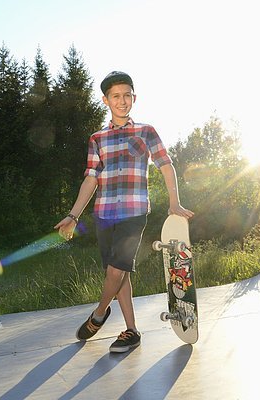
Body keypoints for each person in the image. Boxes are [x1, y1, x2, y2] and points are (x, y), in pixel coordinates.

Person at [54, 71, 193, 353]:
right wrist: (73, 215)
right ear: (106, 100)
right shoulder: (97, 138)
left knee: (117, 269)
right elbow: (91, 178)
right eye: (116, 96)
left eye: (127, 95)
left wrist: (174, 202)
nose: (122, 100)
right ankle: (132, 331)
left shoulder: (145, 132)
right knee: (119, 275)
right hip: (103, 214)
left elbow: (165, 165)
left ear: (134, 97)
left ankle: (99, 313)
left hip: (134, 212)